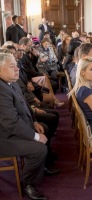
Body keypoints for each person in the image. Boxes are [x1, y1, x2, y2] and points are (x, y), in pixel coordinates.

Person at [0, 53, 48, 200]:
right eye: (12, 66)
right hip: (4, 137)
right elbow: (11, 123)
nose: (17, 69)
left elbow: (24, 105)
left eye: (16, 65)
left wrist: (34, 122)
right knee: (39, 149)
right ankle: (27, 184)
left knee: (45, 126)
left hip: (14, 129)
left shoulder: (12, 82)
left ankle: (41, 166)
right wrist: (35, 136)